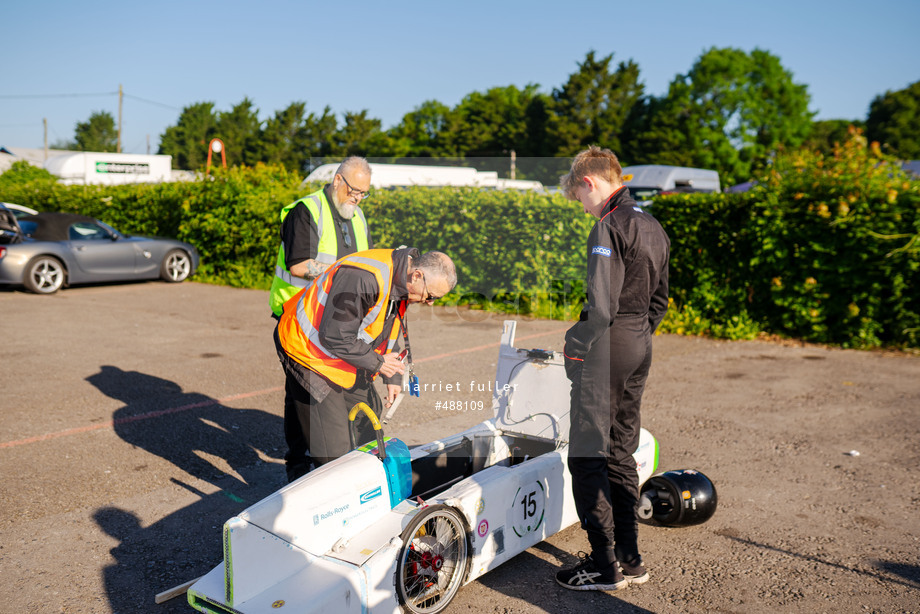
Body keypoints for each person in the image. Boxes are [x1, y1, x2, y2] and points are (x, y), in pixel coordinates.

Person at [554, 146, 670, 592]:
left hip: (609, 342)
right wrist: (638, 336)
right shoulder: (652, 223)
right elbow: (660, 299)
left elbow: (600, 308)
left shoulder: (609, 225)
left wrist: (575, 344)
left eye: (580, 199)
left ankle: (604, 566)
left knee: (586, 454)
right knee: (622, 450)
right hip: (640, 341)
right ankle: (630, 559)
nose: (583, 209)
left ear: (590, 183)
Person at [274, 248, 457, 477]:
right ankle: (311, 483)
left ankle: (357, 482)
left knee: (368, 420)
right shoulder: (365, 278)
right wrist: (379, 364)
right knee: (333, 450)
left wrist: (392, 375)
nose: (429, 303)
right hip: (308, 353)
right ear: (417, 275)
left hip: (341, 352)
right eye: (431, 296)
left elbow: (385, 330)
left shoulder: (401, 280)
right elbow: (335, 336)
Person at [269, 157, 374, 481]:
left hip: (332, 321)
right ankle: (300, 466)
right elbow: (299, 264)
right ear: (338, 181)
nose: (357, 199)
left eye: (364, 194)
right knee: (307, 392)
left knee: (303, 394)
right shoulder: (307, 210)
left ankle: (303, 460)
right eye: (354, 191)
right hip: (297, 319)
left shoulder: (357, 217)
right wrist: (342, 277)